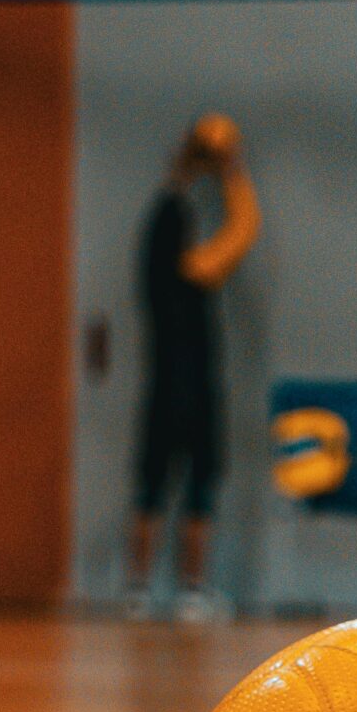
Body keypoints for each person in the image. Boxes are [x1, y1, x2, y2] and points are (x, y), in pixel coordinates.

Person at [124, 113, 261, 619]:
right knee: (193, 483)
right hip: (186, 382)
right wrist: (234, 173)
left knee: (154, 484)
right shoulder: (178, 241)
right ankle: (187, 590)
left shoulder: (163, 223)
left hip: (165, 380)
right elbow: (241, 232)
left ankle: (140, 590)